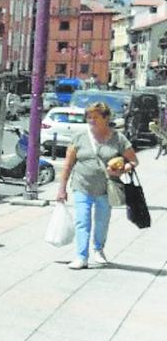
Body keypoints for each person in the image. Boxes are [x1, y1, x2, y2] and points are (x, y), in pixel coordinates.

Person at [56, 101, 138, 269]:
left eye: (95, 117)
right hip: (82, 185)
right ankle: (81, 256)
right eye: (88, 117)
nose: (91, 120)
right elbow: (67, 165)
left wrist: (121, 170)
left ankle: (98, 249)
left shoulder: (118, 138)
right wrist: (61, 189)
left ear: (106, 118)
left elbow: (133, 161)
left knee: (102, 221)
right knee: (82, 221)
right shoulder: (80, 137)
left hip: (106, 188)